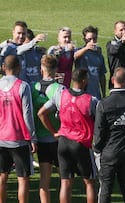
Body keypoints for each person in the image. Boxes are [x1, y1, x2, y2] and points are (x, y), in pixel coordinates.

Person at [38, 69, 98, 203]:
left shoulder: (61, 95)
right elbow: (100, 122)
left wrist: (54, 132)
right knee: (89, 183)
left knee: (65, 182)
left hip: (63, 142)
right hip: (81, 143)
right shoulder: (91, 100)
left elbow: (41, 113)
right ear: (84, 81)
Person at [93, 67, 125, 203]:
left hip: (109, 151)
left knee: (106, 188)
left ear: (113, 80)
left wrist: (97, 149)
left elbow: (99, 131)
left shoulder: (104, 103)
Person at [0, 55, 37, 203]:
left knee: (2, 177)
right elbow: (27, 115)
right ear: (19, 68)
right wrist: (32, 138)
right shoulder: (23, 86)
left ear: (4, 67)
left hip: (1, 138)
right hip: (19, 139)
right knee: (23, 179)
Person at [31, 54, 65, 203]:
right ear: (56, 69)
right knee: (64, 178)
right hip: (58, 138)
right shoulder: (60, 89)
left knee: (44, 179)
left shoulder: (33, 87)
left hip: (40, 138)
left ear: (41, 69)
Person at [74, 25, 107, 100]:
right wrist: (86, 48)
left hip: (96, 93)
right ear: (84, 39)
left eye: (94, 39)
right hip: (82, 94)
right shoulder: (80, 51)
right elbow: (75, 56)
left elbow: (102, 75)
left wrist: (104, 93)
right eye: (89, 39)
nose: (92, 41)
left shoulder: (99, 55)